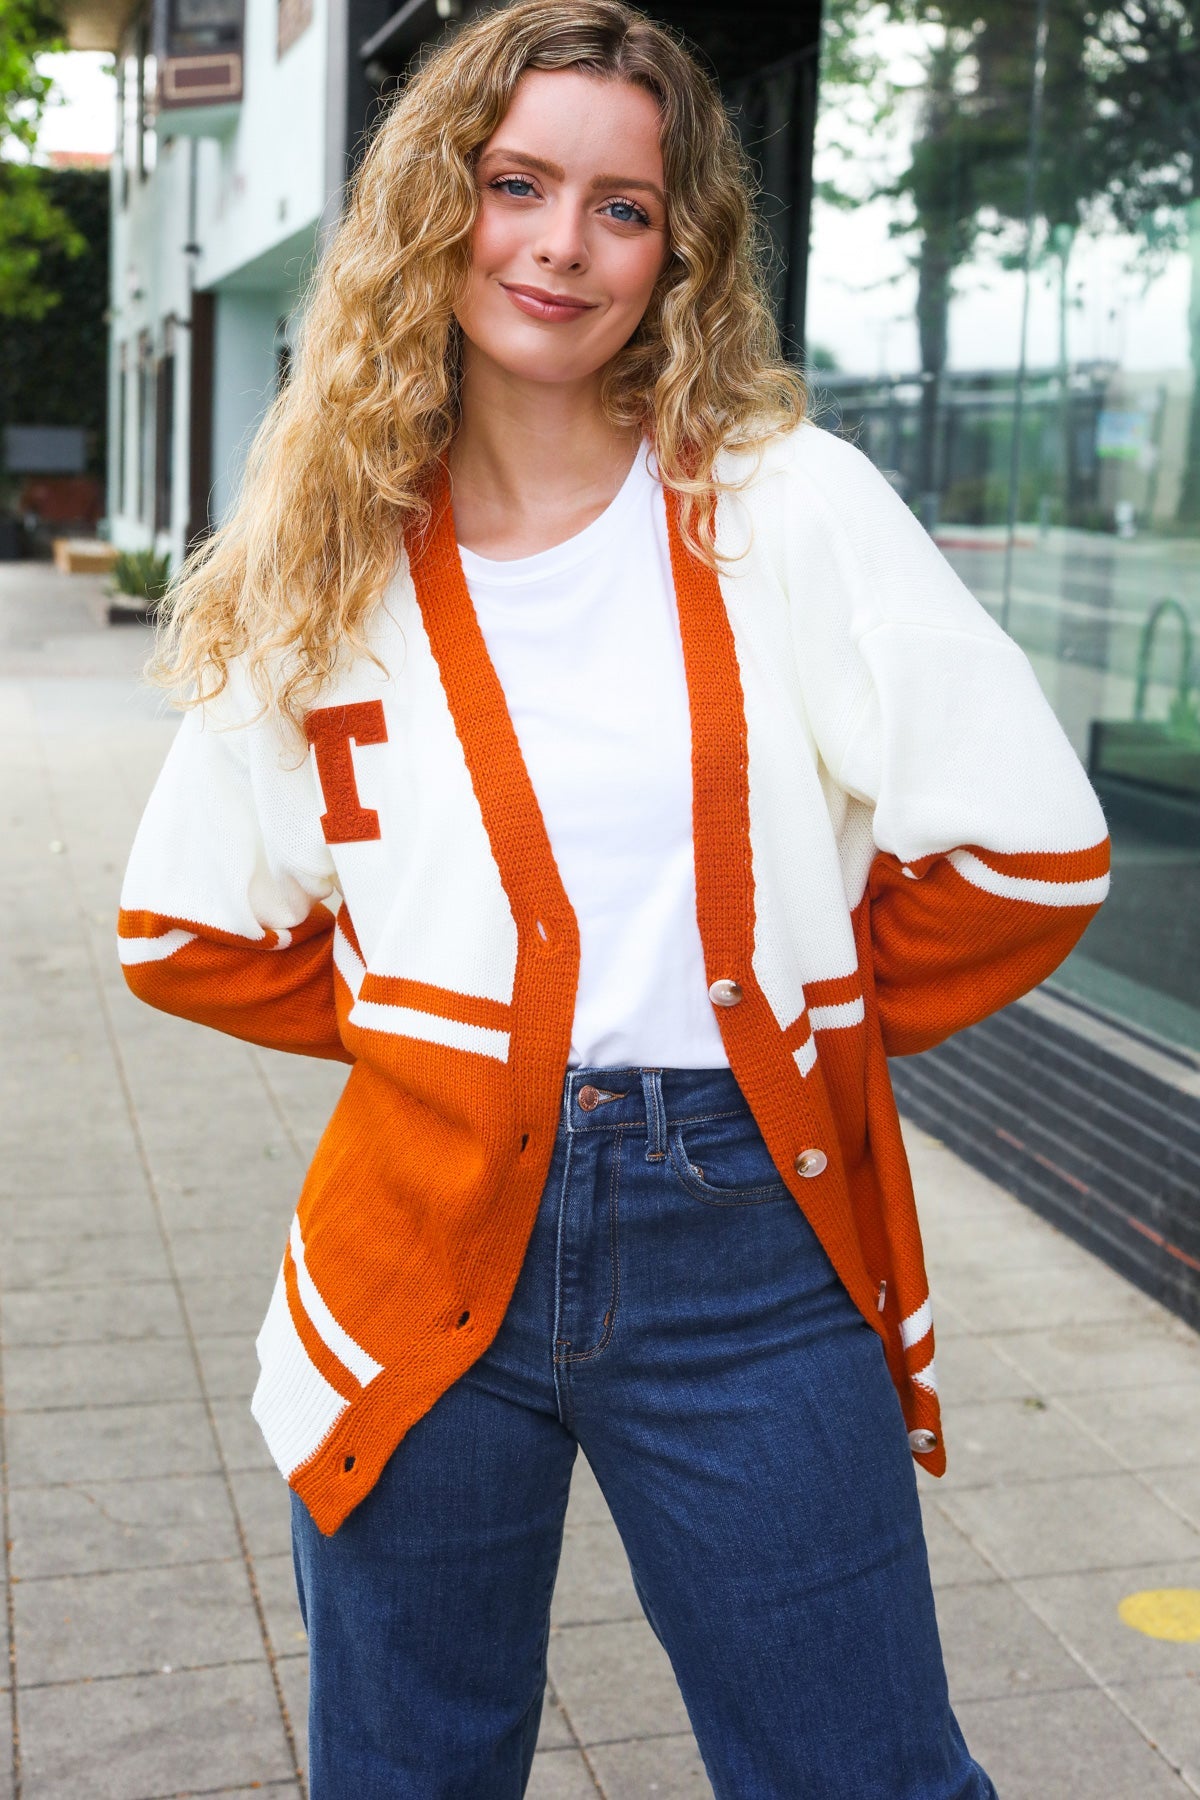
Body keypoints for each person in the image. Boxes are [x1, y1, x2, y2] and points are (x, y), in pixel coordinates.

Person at [117, 2, 1110, 1794]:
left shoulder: (787, 509)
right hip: (411, 1248)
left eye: (624, 207)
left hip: (751, 1240)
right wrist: (444, 1034)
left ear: (682, 252)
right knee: (406, 1772)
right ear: (438, 203)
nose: (561, 247)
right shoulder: (330, 548)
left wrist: (803, 1021)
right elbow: (185, 930)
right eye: (515, 185)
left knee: (864, 1770)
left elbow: (1029, 858)